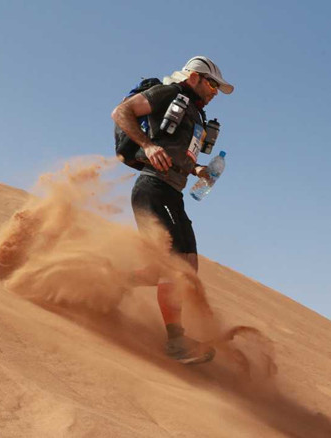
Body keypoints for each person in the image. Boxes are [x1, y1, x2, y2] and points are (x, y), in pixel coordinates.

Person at [111, 56, 234, 364]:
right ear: (194, 77)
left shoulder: (195, 114)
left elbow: (177, 154)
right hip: (152, 188)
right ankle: (176, 342)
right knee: (175, 266)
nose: (215, 92)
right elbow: (121, 112)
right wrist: (148, 145)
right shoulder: (169, 93)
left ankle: (111, 281)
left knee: (185, 266)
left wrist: (197, 170)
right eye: (212, 85)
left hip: (172, 193)